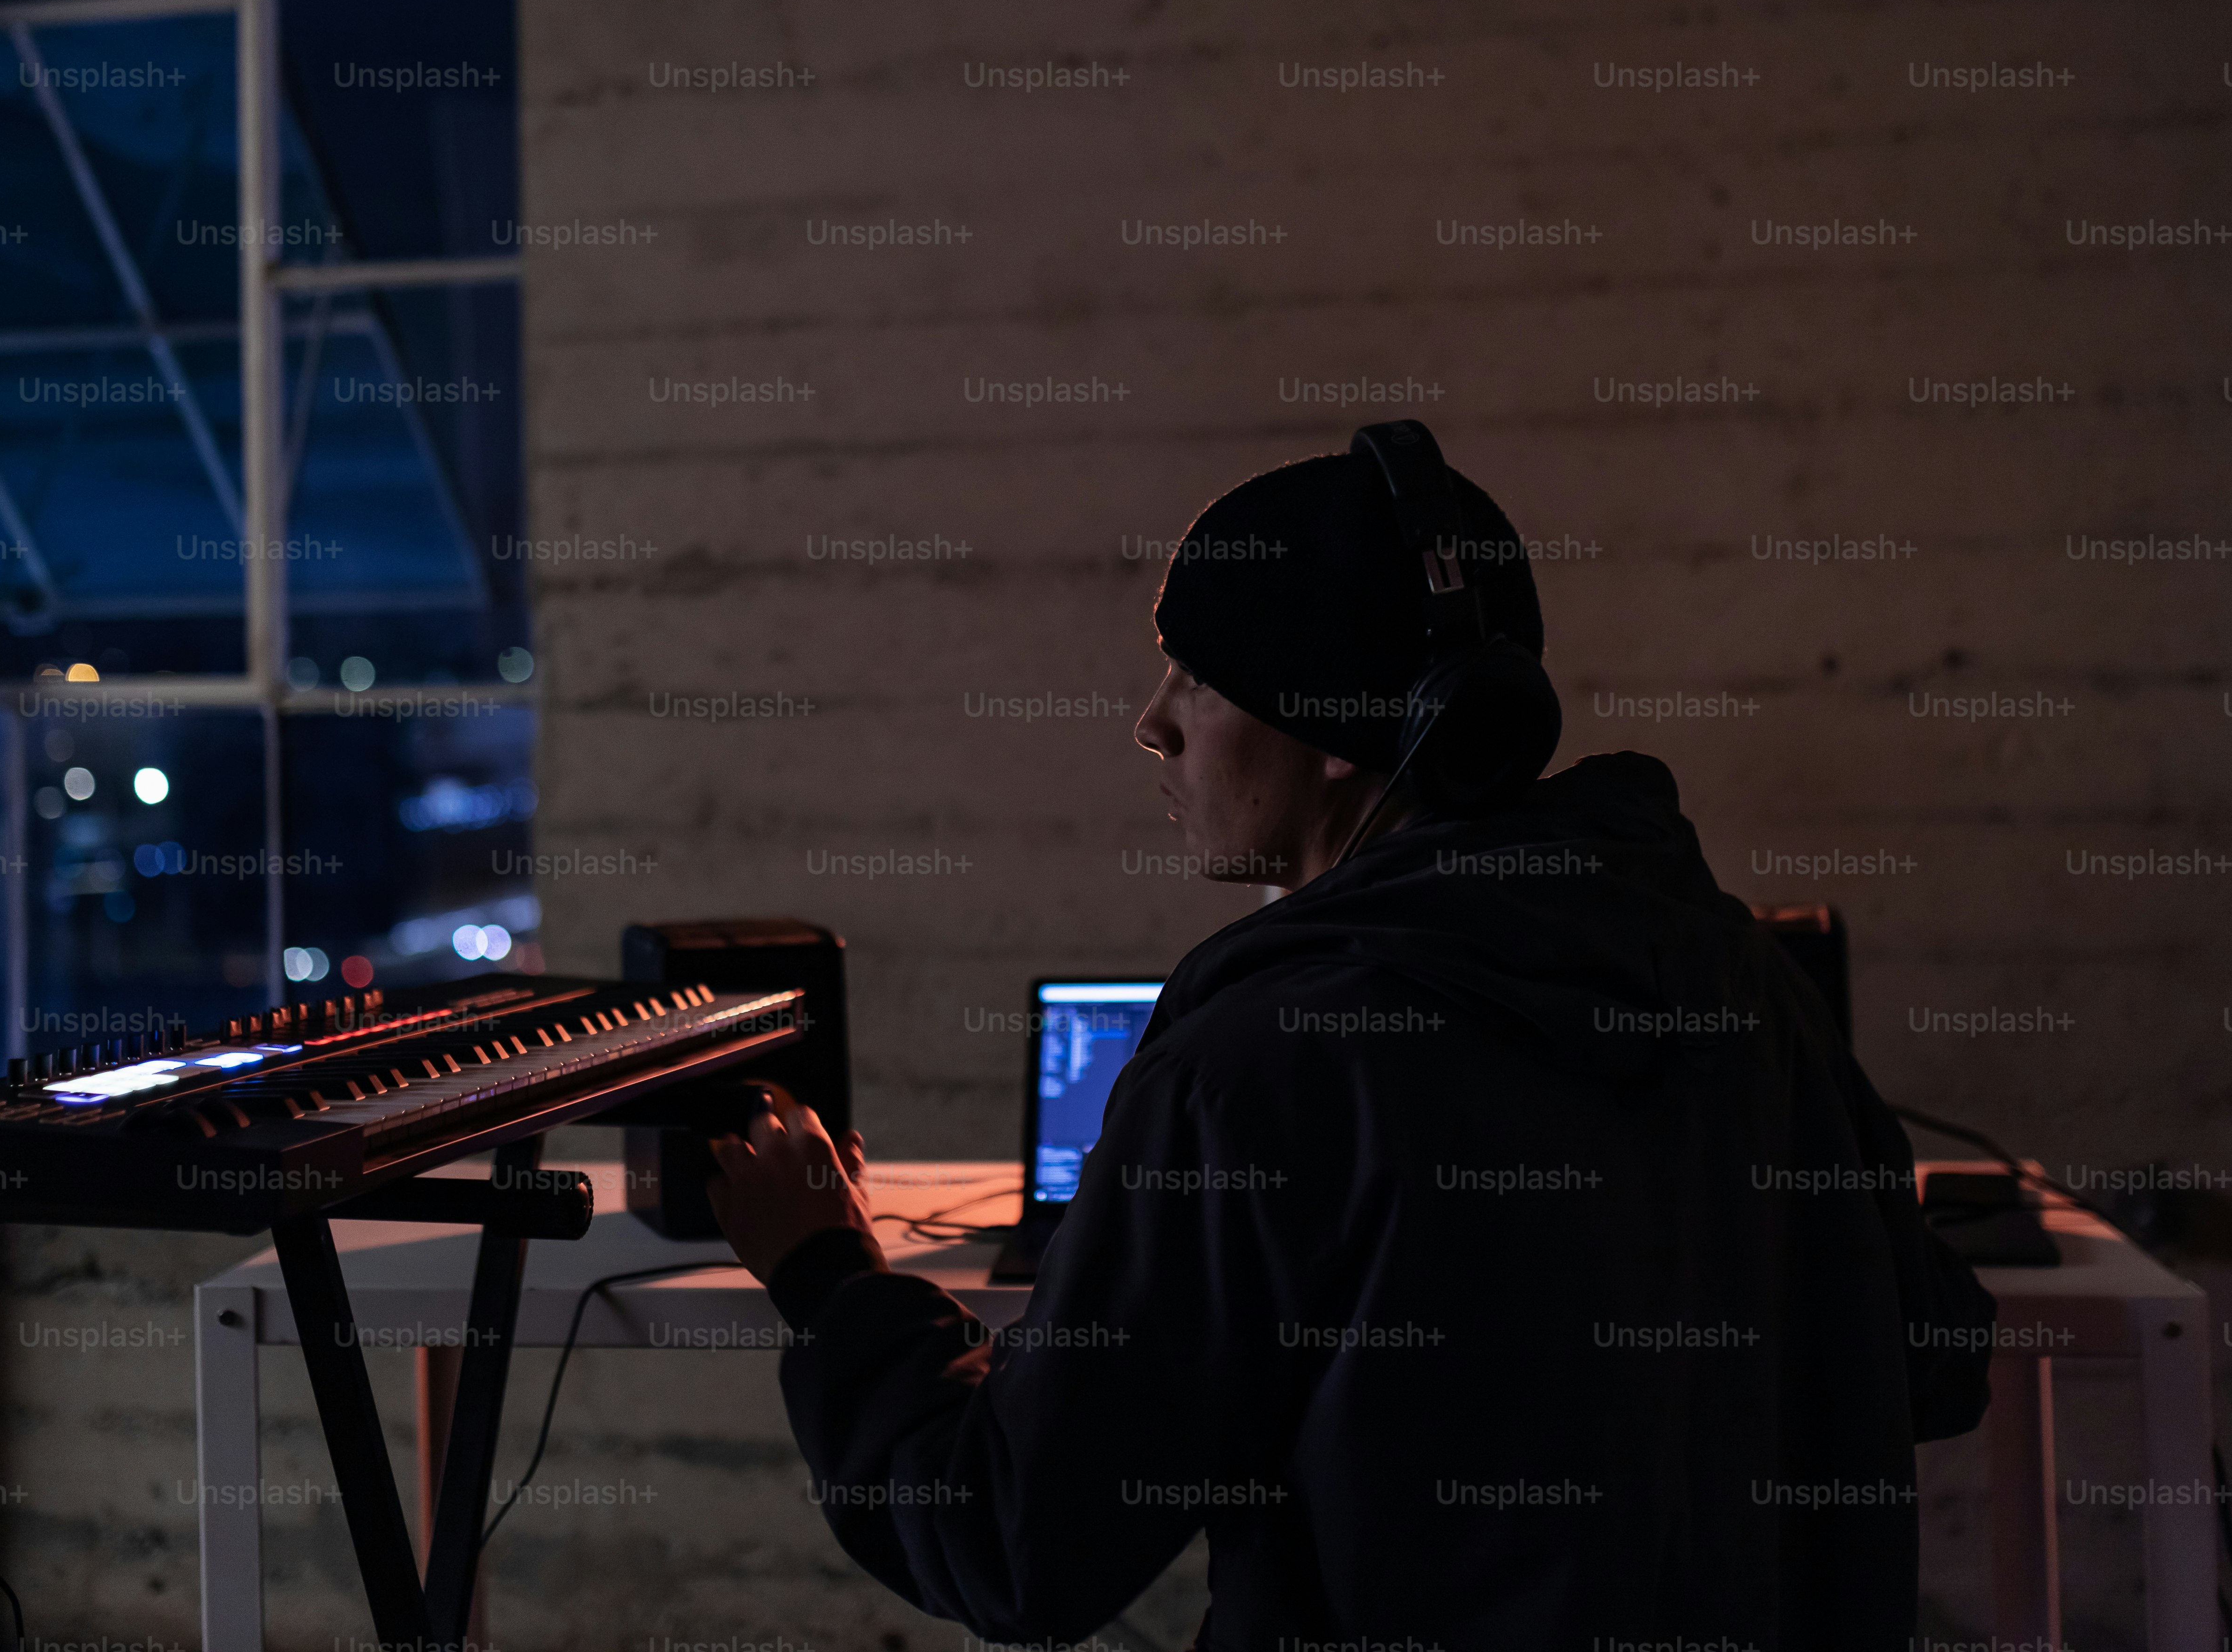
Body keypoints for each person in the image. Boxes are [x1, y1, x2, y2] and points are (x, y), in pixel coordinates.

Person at [708, 423, 1997, 1651]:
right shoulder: (1744, 983)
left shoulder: (1257, 1068)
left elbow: (1009, 1541)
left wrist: (830, 1277)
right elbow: (1935, 1362)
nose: (1152, 723)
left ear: (1333, 732)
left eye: (1197, 680)